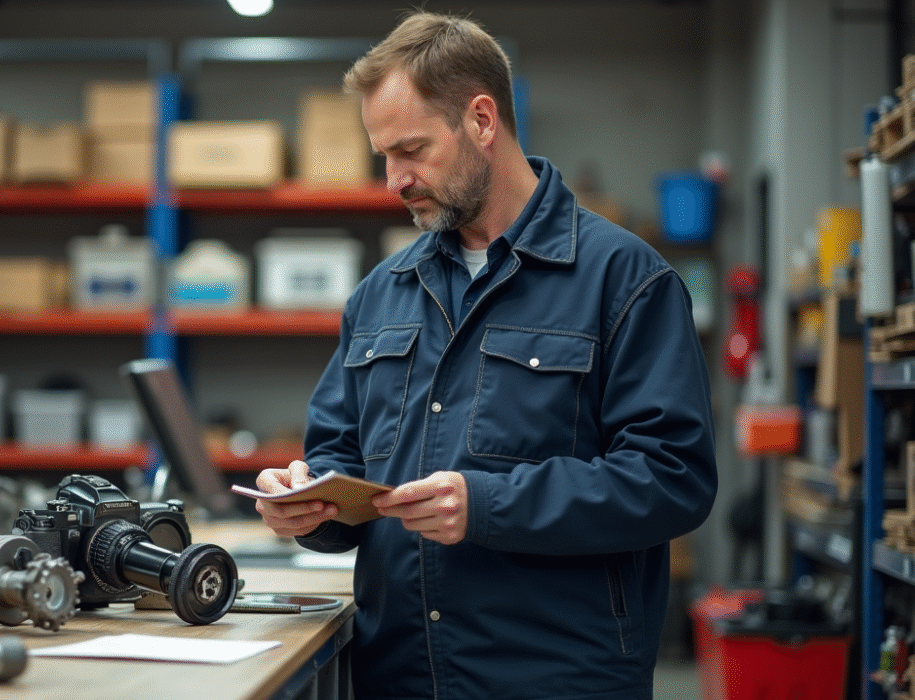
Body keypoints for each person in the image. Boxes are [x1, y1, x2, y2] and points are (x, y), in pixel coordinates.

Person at [250, 10, 718, 700]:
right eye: (384, 156)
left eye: (410, 150)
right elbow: (340, 457)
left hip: (555, 679)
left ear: (481, 120)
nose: (394, 180)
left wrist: (491, 504)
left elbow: (671, 477)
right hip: (401, 676)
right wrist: (309, 505)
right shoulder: (381, 295)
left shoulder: (625, 281)